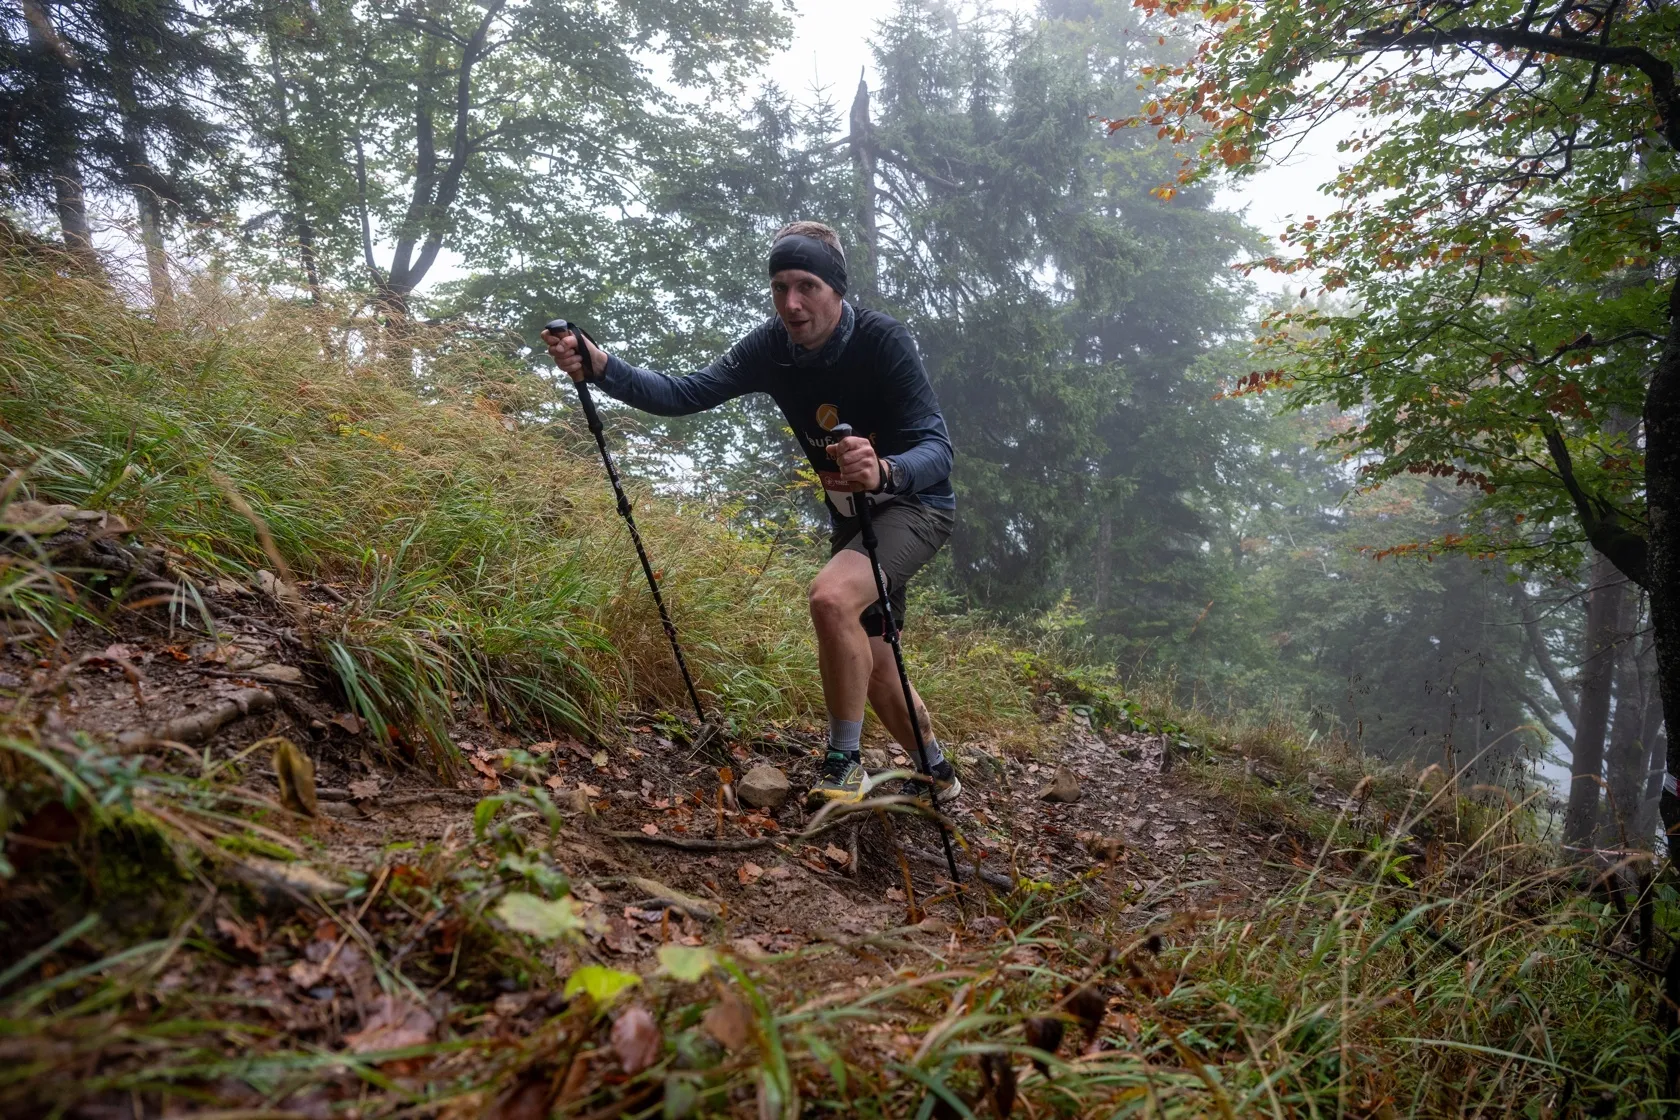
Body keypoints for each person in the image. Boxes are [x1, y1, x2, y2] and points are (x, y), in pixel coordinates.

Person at [543, 220, 961, 808]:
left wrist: (886, 470)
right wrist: (603, 365)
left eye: (807, 286)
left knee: (830, 598)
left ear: (836, 288)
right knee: (876, 661)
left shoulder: (883, 341)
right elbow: (683, 394)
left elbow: (938, 449)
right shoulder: (771, 349)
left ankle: (843, 764)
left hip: (916, 505)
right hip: (851, 515)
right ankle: (937, 775)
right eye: (780, 287)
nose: (791, 303)